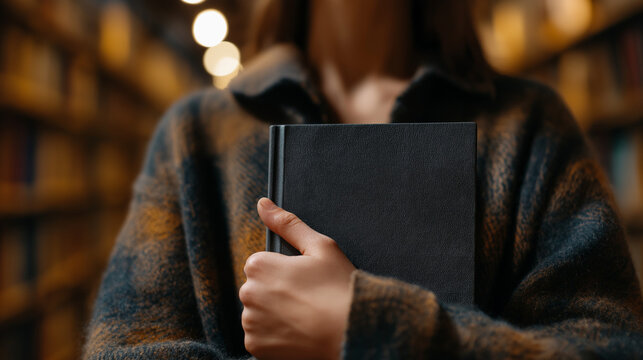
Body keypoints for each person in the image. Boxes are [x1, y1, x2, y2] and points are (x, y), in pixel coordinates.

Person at [83, 0, 643, 359]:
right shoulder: (196, 135)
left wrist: (370, 325)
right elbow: (124, 349)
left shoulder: (529, 127)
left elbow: (611, 346)